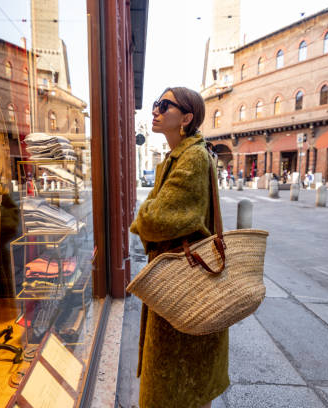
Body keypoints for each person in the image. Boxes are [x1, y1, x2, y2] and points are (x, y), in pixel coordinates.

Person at [129, 87, 229, 408]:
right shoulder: (179, 156)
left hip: (186, 281)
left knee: (178, 383)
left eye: (165, 105)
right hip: (178, 277)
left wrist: (143, 218)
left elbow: (159, 218)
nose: (155, 110)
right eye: (156, 104)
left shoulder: (193, 158)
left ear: (187, 117)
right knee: (179, 381)